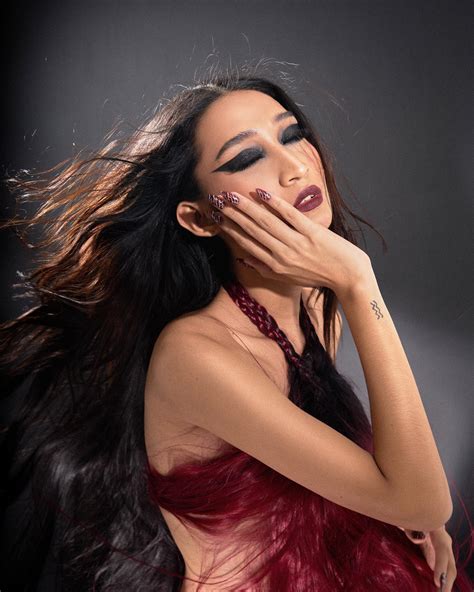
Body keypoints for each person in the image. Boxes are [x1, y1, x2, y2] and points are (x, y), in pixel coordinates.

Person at [0, 68, 471, 592]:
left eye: (292, 134)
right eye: (247, 158)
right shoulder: (195, 355)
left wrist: (403, 518)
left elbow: (382, 488)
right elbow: (422, 499)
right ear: (201, 218)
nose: (295, 166)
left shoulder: (312, 307)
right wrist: (360, 282)